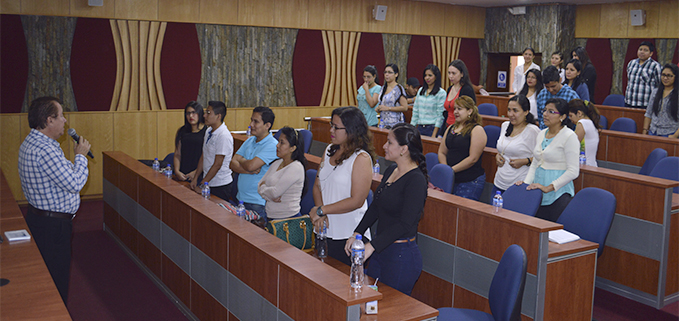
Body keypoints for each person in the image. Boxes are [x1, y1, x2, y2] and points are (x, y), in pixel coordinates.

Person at [18, 96, 91, 303]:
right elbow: (75, 183)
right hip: (53, 226)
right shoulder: (46, 149)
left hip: (39, 219)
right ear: (49, 120)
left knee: (44, 278)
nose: (65, 121)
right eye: (61, 116)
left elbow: (64, 174)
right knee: (56, 280)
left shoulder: (33, 142)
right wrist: (81, 156)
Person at [346, 123, 428, 296]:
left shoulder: (416, 180)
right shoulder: (392, 169)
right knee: (371, 303)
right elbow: (375, 207)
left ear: (403, 149)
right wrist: (356, 233)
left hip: (400, 256)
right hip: (381, 250)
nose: (384, 146)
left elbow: (405, 224)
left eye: (389, 142)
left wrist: (372, 246)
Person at [309, 106, 376, 266]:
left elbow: (357, 200)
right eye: (331, 125)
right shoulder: (329, 150)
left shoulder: (361, 158)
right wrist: (321, 213)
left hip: (349, 235)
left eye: (336, 127)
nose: (331, 130)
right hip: (325, 230)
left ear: (351, 130)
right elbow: (318, 185)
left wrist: (322, 210)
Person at [517, 98, 579, 222]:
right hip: (537, 193)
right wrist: (526, 184)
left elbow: (573, 171)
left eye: (551, 111)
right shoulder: (541, 133)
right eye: (544, 110)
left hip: (558, 194)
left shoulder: (569, 136)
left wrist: (549, 187)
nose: (545, 114)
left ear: (562, 116)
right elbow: (535, 163)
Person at [230, 106, 278, 219]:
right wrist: (247, 170)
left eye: (256, 121)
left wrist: (241, 161)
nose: (251, 124)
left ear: (267, 125)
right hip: (241, 200)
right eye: (251, 120)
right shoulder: (250, 140)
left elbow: (251, 165)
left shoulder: (272, 145)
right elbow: (232, 163)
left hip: (257, 203)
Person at [438, 96, 487, 201]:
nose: (456, 112)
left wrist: (451, 170)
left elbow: (473, 158)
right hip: (451, 179)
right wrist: (446, 170)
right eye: (455, 109)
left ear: (470, 111)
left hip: (469, 181)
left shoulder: (477, 129)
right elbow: (442, 152)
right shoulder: (451, 128)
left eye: (459, 109)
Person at [258, 126, 307, 221]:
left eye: (282, 143)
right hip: (271, 218)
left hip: (287, 220)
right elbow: (259, 185)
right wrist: (269, 194)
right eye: (278, 141)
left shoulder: (296, 167)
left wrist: (266, 191)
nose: (277, 145)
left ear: (292, 148)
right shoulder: (277, 163)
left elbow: (275, 193)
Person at [494, 95, 540, 194]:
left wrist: (525, 161)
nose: (511, 114)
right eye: (509, 110)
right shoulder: (505, 125)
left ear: (526, 112)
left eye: (515, 111)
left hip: (519, 183)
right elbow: (503, 149)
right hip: (499, 181)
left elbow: (542, 157)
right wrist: (497, 156)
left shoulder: (532, 130)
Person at [190, 101, 234, 201]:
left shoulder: (223, 135)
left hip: (220, 185)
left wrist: (202, 185)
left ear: (218, 116)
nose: (204, 115)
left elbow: (218, 164)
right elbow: (204, 155)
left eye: (208, 113)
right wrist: (196, 178)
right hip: (207, 181)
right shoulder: (208, 130)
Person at [173, 101, 207, 181]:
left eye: (194, 113)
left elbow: (207, 157)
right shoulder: (182, 131)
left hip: (199, 175)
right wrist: (177, 171)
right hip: (182, 174)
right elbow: (177, 154)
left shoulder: (207, 132)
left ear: (200, 113)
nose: (191, 116)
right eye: (188, 113)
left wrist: (196, 172)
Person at [644, 64, 679, 138]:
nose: (665, 78)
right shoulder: (655, 92)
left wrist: (674, 136)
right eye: (663, 75)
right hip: (653, 132)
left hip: (670, 134)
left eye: (669, 76)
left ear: (676, 77)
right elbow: (648, 114)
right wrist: (644, 131)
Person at [410, 64, 446, 137]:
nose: (427, 78)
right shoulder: (421, 90)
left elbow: (440, 116)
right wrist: (411, 129)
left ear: (436, 76)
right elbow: (416, 111)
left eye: (430, 75)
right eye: (425, 75)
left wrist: (434, 134)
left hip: (432, 128)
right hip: (420, 127)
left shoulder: (441, 93)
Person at [443, 59, 477, 134]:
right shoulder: (449, 89)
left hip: (461, 129)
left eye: (453, 73)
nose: (450, 76)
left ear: (462, 74)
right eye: (449, 73)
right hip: (448, 127)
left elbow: (470, 112)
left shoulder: (467, 90)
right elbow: (446, 113)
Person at [625, 41, 662, 109]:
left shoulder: (655, 66)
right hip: (629, 102)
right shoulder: (631, 63)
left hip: (645, 105)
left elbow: (660, 85)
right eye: (640, 49)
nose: (642, 52)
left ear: (651, 53)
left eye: (645, 50)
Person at [568, 99, 601, 166]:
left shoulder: (582, 123)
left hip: (585, 165)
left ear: (579, 113)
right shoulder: (590, 122)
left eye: (571, 116)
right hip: (591, 164)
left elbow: (572, 144)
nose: (570, 119)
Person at [375, 63, 408, 128]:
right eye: (385, 72)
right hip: (383, 123)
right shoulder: (383, 88)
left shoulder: (398, 89)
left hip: (395, 124)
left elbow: (405, 107)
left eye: (390, 72)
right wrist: (379, 108)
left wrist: (388, 108)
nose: (387, 75)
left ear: (396, 74)